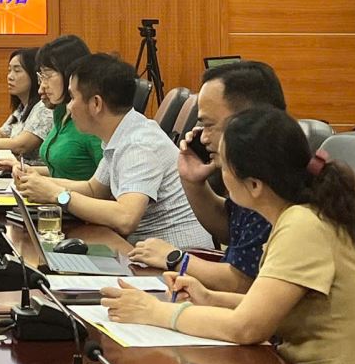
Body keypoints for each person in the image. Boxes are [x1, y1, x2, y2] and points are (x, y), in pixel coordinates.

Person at [101, 106, 355, 364]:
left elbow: (247, 327)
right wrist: (208, 298)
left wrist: (155, 312)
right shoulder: (301, 212)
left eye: (224, 166)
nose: (220, 174)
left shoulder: (303, 225)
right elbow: (270, 308)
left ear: (254, 185)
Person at [15, 52, 210, 249]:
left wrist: (57, 195)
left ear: (96, 104)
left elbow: (126, 218)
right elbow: (94, 189)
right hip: (146, 250)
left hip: (178, 256)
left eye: (72, 98)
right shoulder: (122, 132)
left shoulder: (138, 143)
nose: (69, 107)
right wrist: (38, 181)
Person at [125, 60, 287, 292]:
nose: (203, 137)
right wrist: (193, 182)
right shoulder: (253, 167)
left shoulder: (273, 183)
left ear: (247, 121)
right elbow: (230, 230)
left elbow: (243, 281)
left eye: (209, 125)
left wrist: (174, 258)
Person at [15, 34, 102, 182]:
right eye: (41, 76)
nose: (42, 86)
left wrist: (46, 186)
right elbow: (63, 170)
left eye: (47, 76)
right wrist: (27, 170)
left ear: (70, 75)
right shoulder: (60, 112)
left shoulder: (91, 122)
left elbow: (103, 185)